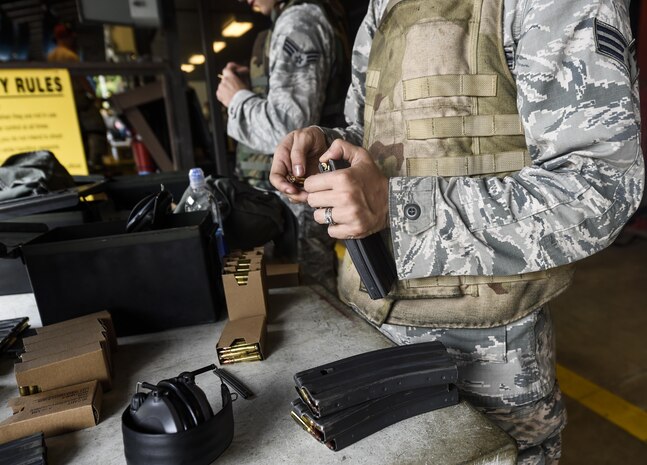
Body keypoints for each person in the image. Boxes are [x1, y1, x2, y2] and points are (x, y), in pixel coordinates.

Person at [270, 0, 644, 463]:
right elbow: (371, 133)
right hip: (372, 334)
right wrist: (328, 147)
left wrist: (396, 206)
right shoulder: (384, 6)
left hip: (489, 356)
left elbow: (600, 186)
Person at [216, 0, 350, 291]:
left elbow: (288, 129)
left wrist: (236, 99)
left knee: (311, 296)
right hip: (296, 197)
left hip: (299, 199)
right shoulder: (301, 19)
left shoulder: (298, 22)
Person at [47, 23, 108, 173]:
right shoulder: (69, 55)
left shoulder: (50, 56)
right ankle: (95, 163)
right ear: (66, 38)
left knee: (78, 134)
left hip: (61, 102)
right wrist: (94, 97)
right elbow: (81, 79)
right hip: (78, 99)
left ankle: (82, 165)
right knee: (96, 128)